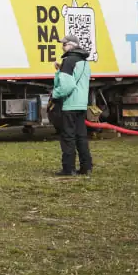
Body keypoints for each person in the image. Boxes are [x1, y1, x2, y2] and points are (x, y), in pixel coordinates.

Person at [52, 34, 93, 177]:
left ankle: (68, 169)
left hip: (69, 105)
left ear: (71, 45)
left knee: (68, 137)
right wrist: (60, 69)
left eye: (64, 44)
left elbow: (67, 86)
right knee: (81, 136)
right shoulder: (84, 62)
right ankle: (86, 167)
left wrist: (54, 94)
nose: (62, 47)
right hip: (81, 105)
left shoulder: (68, 61)